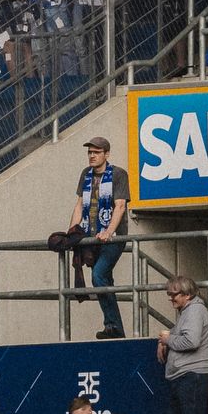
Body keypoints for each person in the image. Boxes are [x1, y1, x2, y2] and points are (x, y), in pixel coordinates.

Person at [71, 136, 131, 337]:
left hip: (113, 237)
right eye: (90, 152)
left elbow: (120, 206)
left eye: (96, 152)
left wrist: (109, 231)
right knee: (105, 281)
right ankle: (115, 329)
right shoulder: (85, 174)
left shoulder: (118, 174)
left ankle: (112, 325)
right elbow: (80, 204)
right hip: (91, 237)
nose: (92, 156)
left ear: (107, 154)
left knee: (98, 276)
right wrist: (72, 231)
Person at [162, 277, 208, 414]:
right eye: (169, 294)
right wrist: (165, 340)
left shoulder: (194, 311)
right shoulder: (189, 311)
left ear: (187, 295)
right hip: (189, 375)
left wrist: (167, 340)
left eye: (174, 294)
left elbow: (191, 341)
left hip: (193, 375)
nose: (171, 298)